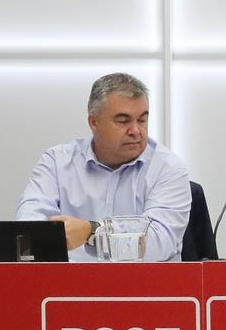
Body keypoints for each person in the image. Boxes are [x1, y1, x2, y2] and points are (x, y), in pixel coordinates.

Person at [16, 73, 190, 262]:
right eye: (123, 121)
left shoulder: (168, 168)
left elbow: (158, 244)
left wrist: (92, 232)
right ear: (93, 122)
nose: (136, 131)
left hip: (144, 286)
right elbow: (29, 229)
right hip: (69, 286)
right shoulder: (57, 162)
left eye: (142, 120)